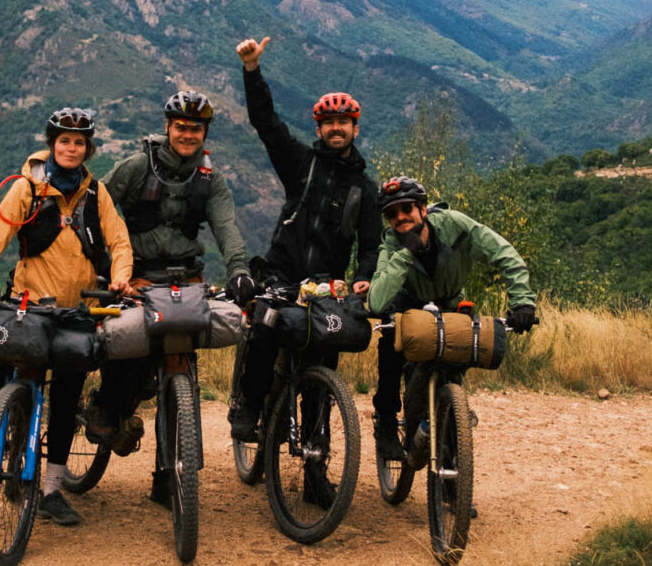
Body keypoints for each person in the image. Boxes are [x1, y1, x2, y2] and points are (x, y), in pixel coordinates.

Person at [0, 107, 133, 527]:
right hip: (29, 302)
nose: (71, 148)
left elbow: (119, 241)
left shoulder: (96, 194)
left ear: (88, 149)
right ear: (52, 144)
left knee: (67, 391)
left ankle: (51, 488)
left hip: (77, 310)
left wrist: (121, 278)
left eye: (79, 142)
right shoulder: (27, 189)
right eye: (64, 141)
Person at [227, 36, 381, 476]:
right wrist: (252, 70)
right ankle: (249, 407)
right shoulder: (301, 165)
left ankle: (316, 473)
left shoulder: (365, 191)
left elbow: (370, 247)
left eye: (344, 122)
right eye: (328, 122)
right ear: (318, 130)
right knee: (266, 325)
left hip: (326, 284)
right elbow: (266, 123)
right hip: (282, 270)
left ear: (355, 128)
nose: (336, 128)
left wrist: (364, 278)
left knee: (320, 375)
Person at [92, 90, 255, 491]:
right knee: (129, 353)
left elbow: (227, 229)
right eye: (181, 126)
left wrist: (239, 271)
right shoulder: (136, 167)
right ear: (168, 127)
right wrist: (111, 269)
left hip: (187, 278)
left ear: (204, 133)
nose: (187, 134)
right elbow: (97, 210)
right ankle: (107, 409)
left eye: (195, 128)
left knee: (181, 359)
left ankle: (172, 479)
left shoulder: (209, 181)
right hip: (138, 276)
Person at [364, 175, 536, 465]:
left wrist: (522, 303)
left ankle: (453, 452)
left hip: (452, 305)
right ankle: (387, 424)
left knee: (454, 366)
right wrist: (407, 253)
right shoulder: (392, 243)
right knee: (390, 350)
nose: (400, 218)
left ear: (423, 208)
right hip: (408, 309)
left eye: (406, 209)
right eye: (392, 214)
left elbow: (504, 253)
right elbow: (377, 301)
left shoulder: (455, 225)